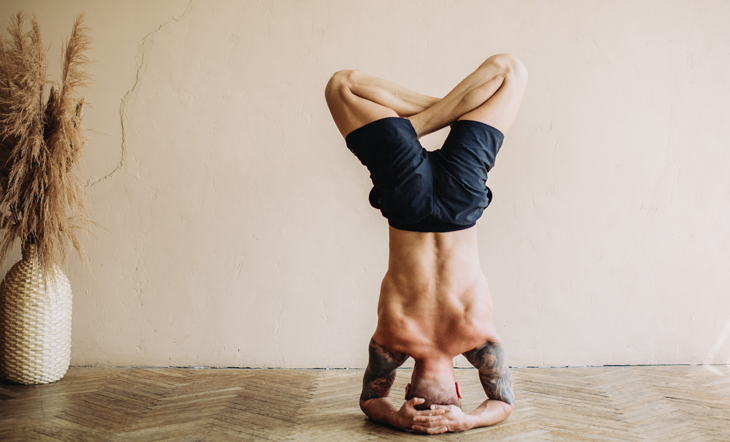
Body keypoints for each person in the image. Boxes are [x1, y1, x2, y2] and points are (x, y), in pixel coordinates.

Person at [324, 53, 528, 434]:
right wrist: (396, 414)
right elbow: (371, 401)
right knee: (342, 85)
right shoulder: (393, 340)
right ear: (406, 385)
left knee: (508, 71)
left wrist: (466, 421)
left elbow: (502, 403)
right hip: (408, 203)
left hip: (457, 203)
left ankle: (429, 119)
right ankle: (425, 121)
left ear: (458, 388)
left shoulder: (479, 341)